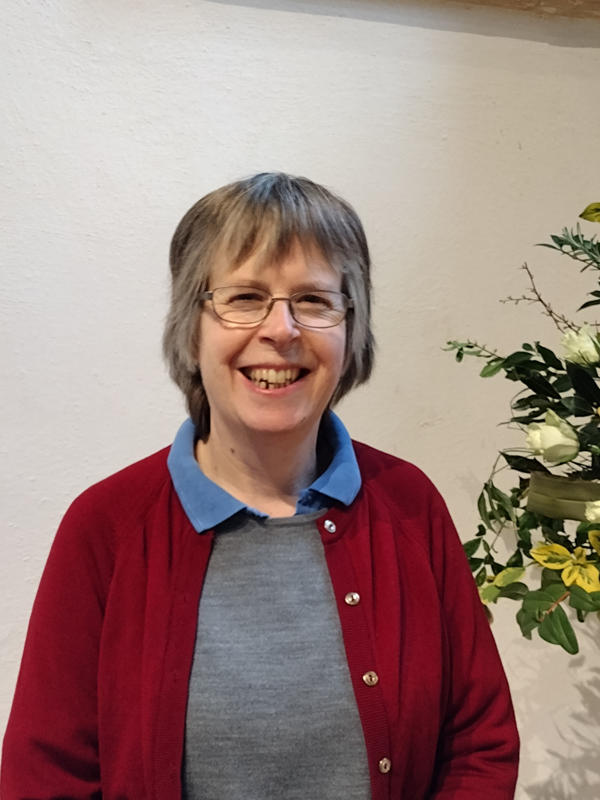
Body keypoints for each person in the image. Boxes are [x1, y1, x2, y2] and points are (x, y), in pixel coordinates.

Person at [1, 172, 519, 798]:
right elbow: (46, 775)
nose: (282, 330)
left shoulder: (408, 505)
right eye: (244, 298)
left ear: (350, 329)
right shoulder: (107, 526)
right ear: (192, 326)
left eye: (314, 300)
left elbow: (478, 739)